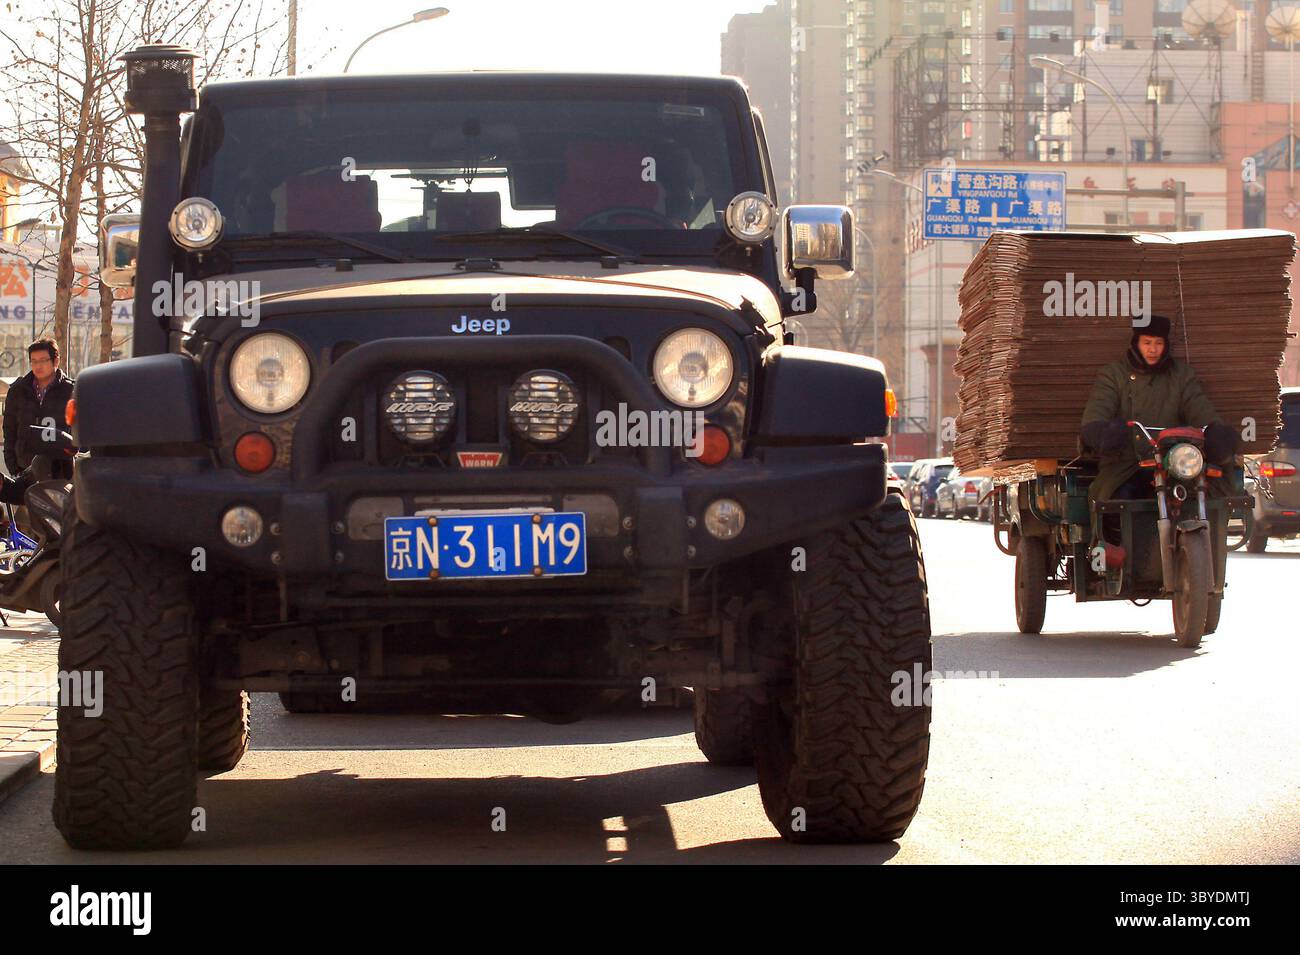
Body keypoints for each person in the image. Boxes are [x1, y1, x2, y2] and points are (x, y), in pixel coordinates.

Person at [1080, 314, 1238, 546]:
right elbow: (1098, 410)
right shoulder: (1114, 375)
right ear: (1136, 343)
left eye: (1158, 343)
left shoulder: (1181, 376)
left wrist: (1215, 431)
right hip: (1128, 464)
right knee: (1115, 502)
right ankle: (1112, 558)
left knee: (1209, 493)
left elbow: (1199, 407)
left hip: (1175, 462)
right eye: (1147, 343)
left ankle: (1205, 552)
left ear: (1165, 345)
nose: (1153, 349)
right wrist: (1103, 432)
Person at [2, 339, 75, 484]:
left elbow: (79, 432)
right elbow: (9, 431)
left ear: (56, 361)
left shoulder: (71, 391)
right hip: (24, 471)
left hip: (61, 474)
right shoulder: (18, 391)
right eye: (33, 361)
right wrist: (13, 467)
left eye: (43, 360)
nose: (37, 366)